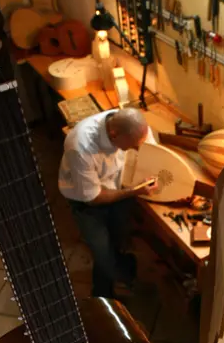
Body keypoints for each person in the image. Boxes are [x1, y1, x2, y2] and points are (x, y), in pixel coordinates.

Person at [58, 107, 157, 299]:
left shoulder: (132, 126)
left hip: (117, 188)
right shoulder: (81, 146)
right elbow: (93, 198)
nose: (136, 149)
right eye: (131, 146)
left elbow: (148, 150)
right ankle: (106, 296)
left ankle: (117, 281)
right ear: (114, 134)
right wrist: (133, 192)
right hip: (86, 202)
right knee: (102, 252)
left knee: (119, 238)